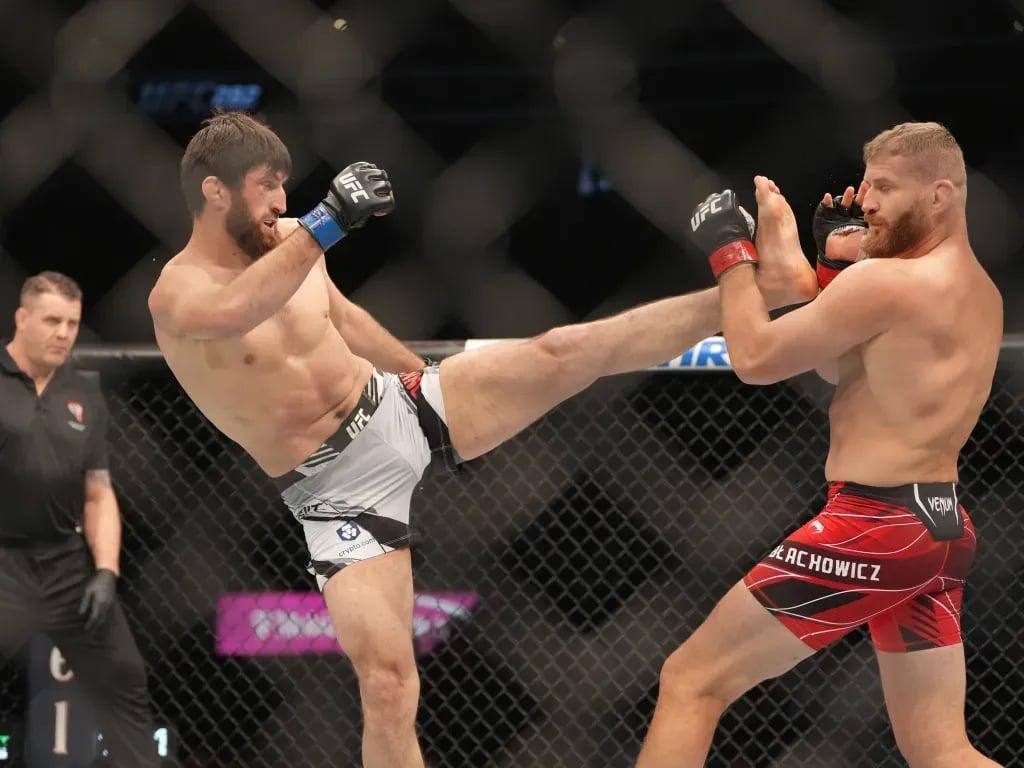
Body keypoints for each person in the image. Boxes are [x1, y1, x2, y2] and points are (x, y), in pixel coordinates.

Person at [146, 110, 818, 768]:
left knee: (562, 351)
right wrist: (327, 222)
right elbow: (238, 310)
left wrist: (428, 381)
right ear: (215, 190)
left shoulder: (293, 241)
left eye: (284, 187)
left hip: (392, 405)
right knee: (386, 684)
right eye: (266, 185)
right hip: (334, 488)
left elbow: (343, 318)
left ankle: (763, 286)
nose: (281, 201)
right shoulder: (179, 293)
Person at [637, 121, 1004, 767]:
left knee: (691, 681)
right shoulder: (980, 292)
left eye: (886, 188)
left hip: (874, 523)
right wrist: (834, 266)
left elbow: (754, 359)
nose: (868, 203)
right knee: (942, 750)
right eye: (867, 188)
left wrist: (730, 251)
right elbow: (848, 370)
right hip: (940, 530)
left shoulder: (888, 283)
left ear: (941, 195)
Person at [0, 272, 157, 766]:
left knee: (126, 683)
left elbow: (97, 492)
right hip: (2, 564)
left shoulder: (82, 391)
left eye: (71, 322)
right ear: (22, 319)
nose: (63, 332)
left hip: (67, 565)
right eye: (51, 320)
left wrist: (106, 571)